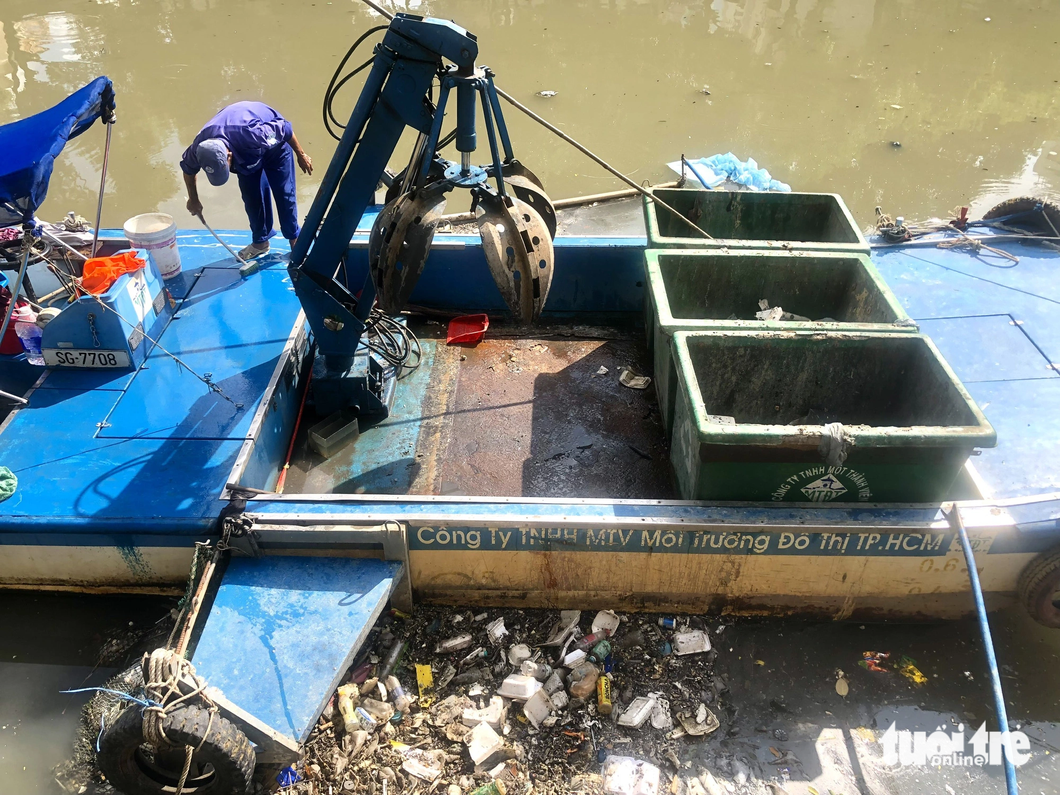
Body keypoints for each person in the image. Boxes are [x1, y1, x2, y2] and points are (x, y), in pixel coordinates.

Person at [180, 101, 313, 259]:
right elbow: (188, 170)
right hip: (245, 152)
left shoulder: (252, 133)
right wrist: (193, 199)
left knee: (284, 193)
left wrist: (301, 154)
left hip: (274, 147)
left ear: (229, 156)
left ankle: (294, 239)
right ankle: (260, 242)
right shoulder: (199, 148)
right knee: (252, 197)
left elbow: (285, 128)